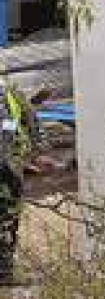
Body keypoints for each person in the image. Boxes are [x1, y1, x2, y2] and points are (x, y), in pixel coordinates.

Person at [0, 80, 37, 286]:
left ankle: (5, 270)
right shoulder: (12, 92)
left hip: (9, 169)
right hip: (10, 168)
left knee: (8, 219)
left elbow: (32, 125)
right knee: (8, 219)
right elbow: (33, 126)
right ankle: (5, 270)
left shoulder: (12, 94)